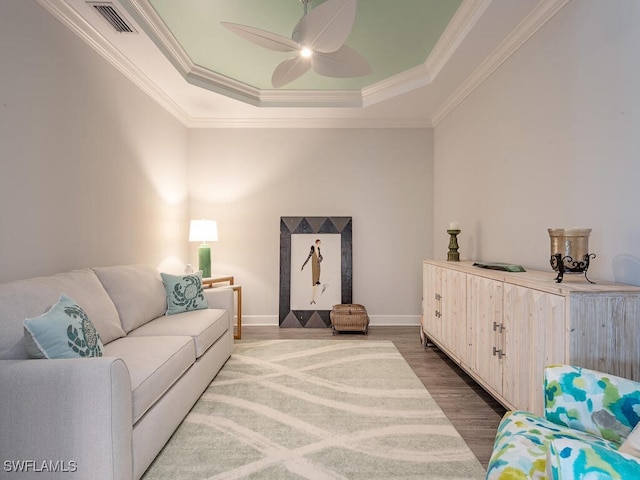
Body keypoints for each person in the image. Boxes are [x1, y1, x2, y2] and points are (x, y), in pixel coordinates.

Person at [301, 239, 326, 304]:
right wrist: (303, 265)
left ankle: (313, 299)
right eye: (319, 243)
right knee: (314, 283)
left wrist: (319, 261)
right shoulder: (312, 248)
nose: (320, 244)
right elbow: (308, 257)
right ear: (317, 243)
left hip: (318, 266)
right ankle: (312, 299)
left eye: (320, 243)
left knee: (317, 284)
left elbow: (321, 257)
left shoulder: (319, 249)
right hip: (314, 266)